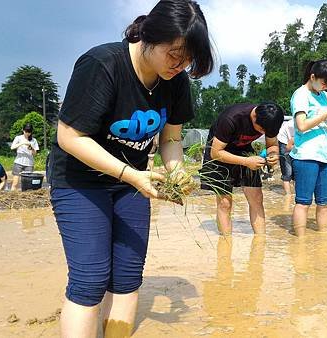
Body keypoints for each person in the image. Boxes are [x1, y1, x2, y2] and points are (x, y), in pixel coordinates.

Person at [47, 1, 215, 336]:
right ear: (151, 36)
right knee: (90, 279)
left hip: (132, 183)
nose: (180, 65)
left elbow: (170, 139)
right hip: (81, 181)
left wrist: (176, 171)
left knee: (126, 278)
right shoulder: (102, 64)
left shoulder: (176, 80)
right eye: (174, 54)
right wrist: (130, 174)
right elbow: (69, 136)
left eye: (188, 59)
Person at [200, 102, 284, 235]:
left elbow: (272, 144)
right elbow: (216, 153)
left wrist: (273, 154)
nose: (263, 133)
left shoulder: (270, 121)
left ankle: (260, 243)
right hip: (219, 151)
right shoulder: (231, 119)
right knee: (225, 203)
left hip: (244, 150)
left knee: (256, 198)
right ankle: (226, 244)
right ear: (254, 117)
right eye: (261, 130)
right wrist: (245, 161)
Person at [290, 59, 327, 237]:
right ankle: (299, 244)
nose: (325, 87)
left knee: (325, 204)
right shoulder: (300, 95)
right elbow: (301, 125)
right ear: (313, 77)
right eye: (324, 83)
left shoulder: (324, 96)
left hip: (325, 156)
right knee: (303, 202)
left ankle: (323, 243)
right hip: (306, 156)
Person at [10, 123, 39, 190]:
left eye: (29, 132)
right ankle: (12, 195)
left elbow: (35, 154)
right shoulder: (18, 138)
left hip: (29, 163)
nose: (27, 133)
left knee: (28, 184)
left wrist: (31, 148)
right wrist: (22, 143)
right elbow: (12, 147)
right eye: (26, 131)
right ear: (23, 130)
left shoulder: (34, 140)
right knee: (15, 183)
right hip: (18, 162)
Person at [277, 119, 295, 194]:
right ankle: (288, 196)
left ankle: (296, 195)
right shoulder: (292, 124)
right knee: (287, 171)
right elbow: (288, 146)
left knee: (297, 171)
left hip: (293, 142)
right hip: (285, 142)